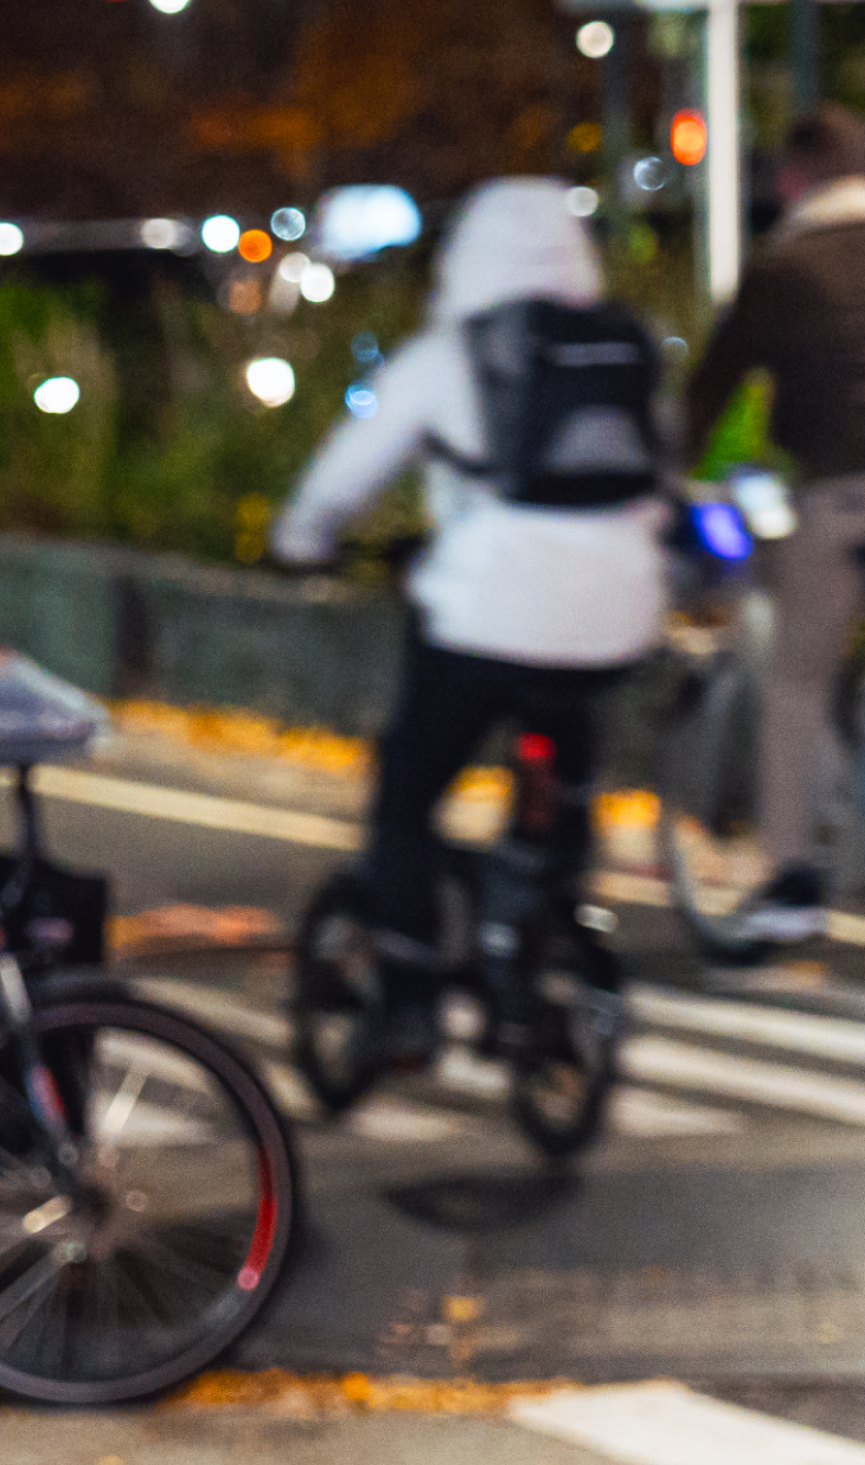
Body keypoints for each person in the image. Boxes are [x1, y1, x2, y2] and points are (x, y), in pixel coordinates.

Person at [272, 176, 669, 1055]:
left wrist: (303, 537)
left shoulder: (451, 354)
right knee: (566, 773)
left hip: (489, 615)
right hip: (616, 618)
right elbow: (660, 470)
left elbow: (346, 472)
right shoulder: (622, 346)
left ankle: (411, 995)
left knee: (408, 796)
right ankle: (548, 926)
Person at [682, 102, 865, 943]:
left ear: (794, 177)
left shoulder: (787, 268)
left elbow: (713, 387)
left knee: (796, 680)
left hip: (837, 494)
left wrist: (677, 476)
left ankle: (792, 884)